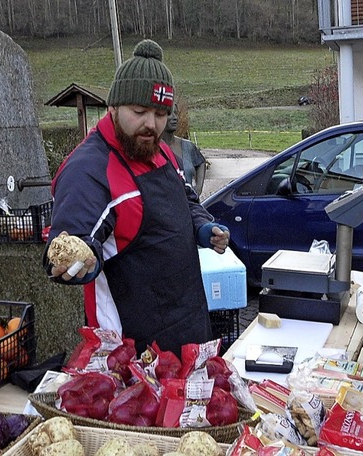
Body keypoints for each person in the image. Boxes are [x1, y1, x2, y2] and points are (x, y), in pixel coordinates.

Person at [43, 39, 230, 357]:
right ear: (113, 108)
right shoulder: (88, 170)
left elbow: (185, 199)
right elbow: (70, 245)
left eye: (160, 114)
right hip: (132, 355)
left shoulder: (159, 151)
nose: (150, 124)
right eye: (139, 111)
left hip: (188, 327)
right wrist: (78, 263)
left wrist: (202, 227)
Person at [162, 103, 206, 197]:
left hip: (190, 206)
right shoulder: (151, 148)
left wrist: (198, 187)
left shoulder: (187, 146)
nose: (175, 117)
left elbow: (201, 162)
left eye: (176, 113)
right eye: (170, 113)